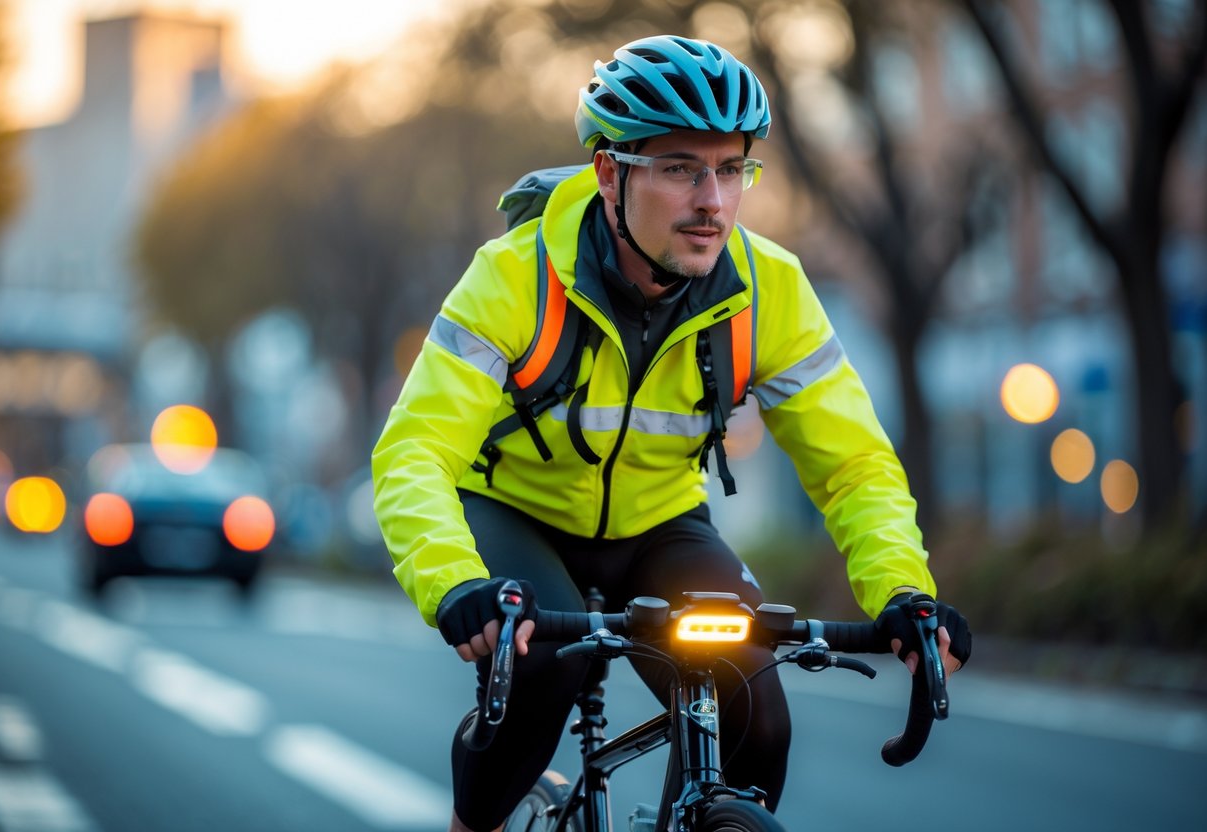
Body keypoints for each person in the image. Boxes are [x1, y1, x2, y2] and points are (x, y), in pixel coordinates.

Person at [373, 34, 972, 831]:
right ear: (608, 173)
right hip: (512, 512)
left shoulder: (773, 292)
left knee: (757, 719)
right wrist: (453, 584)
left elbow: (854, 464)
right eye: (681, 168)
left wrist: (904, 592)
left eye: (731, 169)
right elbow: (414, 450)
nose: (712, 202)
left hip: (658, 522)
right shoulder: (513, 277)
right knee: (538, 669)